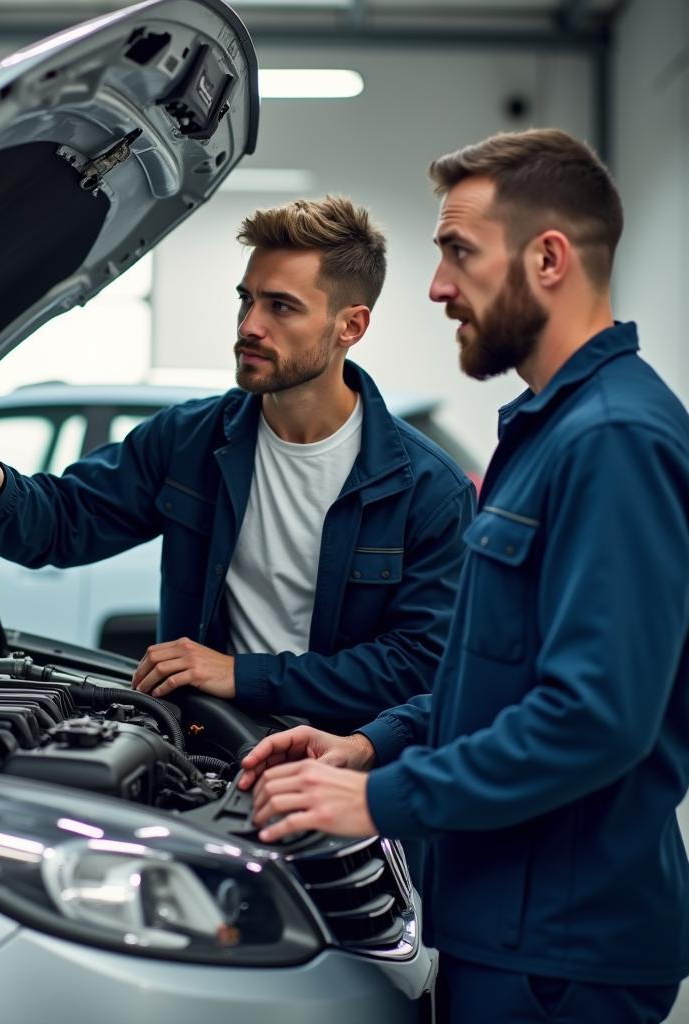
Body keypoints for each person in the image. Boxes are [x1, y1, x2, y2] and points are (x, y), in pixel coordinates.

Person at [241, 130, 689, 1022]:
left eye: (458, 254)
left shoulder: (613, 442)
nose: (439, 286)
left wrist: (377, 799)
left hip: (560, 954)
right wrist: (371, 743)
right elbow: (494, 676)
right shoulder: (545, 430)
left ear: (550, 258)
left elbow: (593, 719)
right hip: (506, 925)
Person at [0, 196, 475, 730]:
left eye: (281, 305)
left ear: (350, 326)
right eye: (246, 298)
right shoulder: (190, 439)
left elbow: (421, 667)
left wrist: (242, 675)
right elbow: (64, 523)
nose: (249, 325)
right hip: (213, 746)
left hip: (345, 769)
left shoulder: (428, 488)